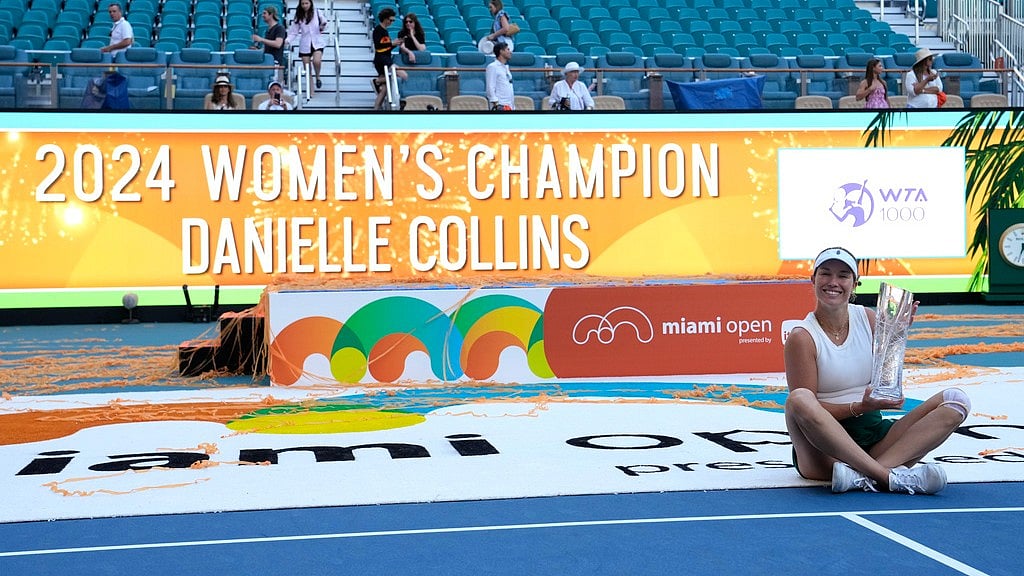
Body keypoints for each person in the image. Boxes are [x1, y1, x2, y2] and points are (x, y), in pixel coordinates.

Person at [784, 247, 970, 495]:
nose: (833, 282)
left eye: (843, 276)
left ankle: (861, 477)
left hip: (875, 440)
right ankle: (887, 477)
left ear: (855, 284)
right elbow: (807, 412)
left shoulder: (868, 318)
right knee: (799, 399)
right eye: (825, 274)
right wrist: (859, 407)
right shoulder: (802, 337)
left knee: (956, 401)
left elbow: (887, 386)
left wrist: (895, 339)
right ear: (813, 280)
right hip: (823, 454)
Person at [372, 8, 407, 110]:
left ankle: (376, 108)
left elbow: (386, 47)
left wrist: (395, 44)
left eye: (393, 20)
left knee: (385, 89)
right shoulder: (378, 30)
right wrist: (392, 43)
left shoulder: (385, 31)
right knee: (402, 74)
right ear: (385, 19)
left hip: (385, 57)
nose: (392, 22)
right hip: (381, 59)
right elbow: (378, 46)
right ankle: (377, 81)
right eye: (390, 20)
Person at [287, 0, 327, 89]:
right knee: (307, 68)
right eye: (303, 4)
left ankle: (318, 76)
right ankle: (311, 91)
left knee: (317, 61)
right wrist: (287, 40)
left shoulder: (317, 12)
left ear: (310, 3)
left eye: (306, 3)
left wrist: (323, 25)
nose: (305, 5)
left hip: (317, 42)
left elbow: (324, 22)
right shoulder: (299, 16)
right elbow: (294, 32)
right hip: (305, 44)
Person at [252, 6, 288, 79]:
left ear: (271, 15)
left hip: (275, 63)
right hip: (267, 62)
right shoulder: (268, 30)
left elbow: (278, 44)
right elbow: (267, 47)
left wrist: (261, 39)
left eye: (265, 13)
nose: (262, 15)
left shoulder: (279, 28)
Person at [485, 41, 514, 110]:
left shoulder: (505, 67)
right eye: (508, 49)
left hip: (509, 104)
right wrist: (496, 104)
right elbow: (490, 87)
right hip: (500, 105)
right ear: (501, 51)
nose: (510, 52)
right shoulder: (493, 67)